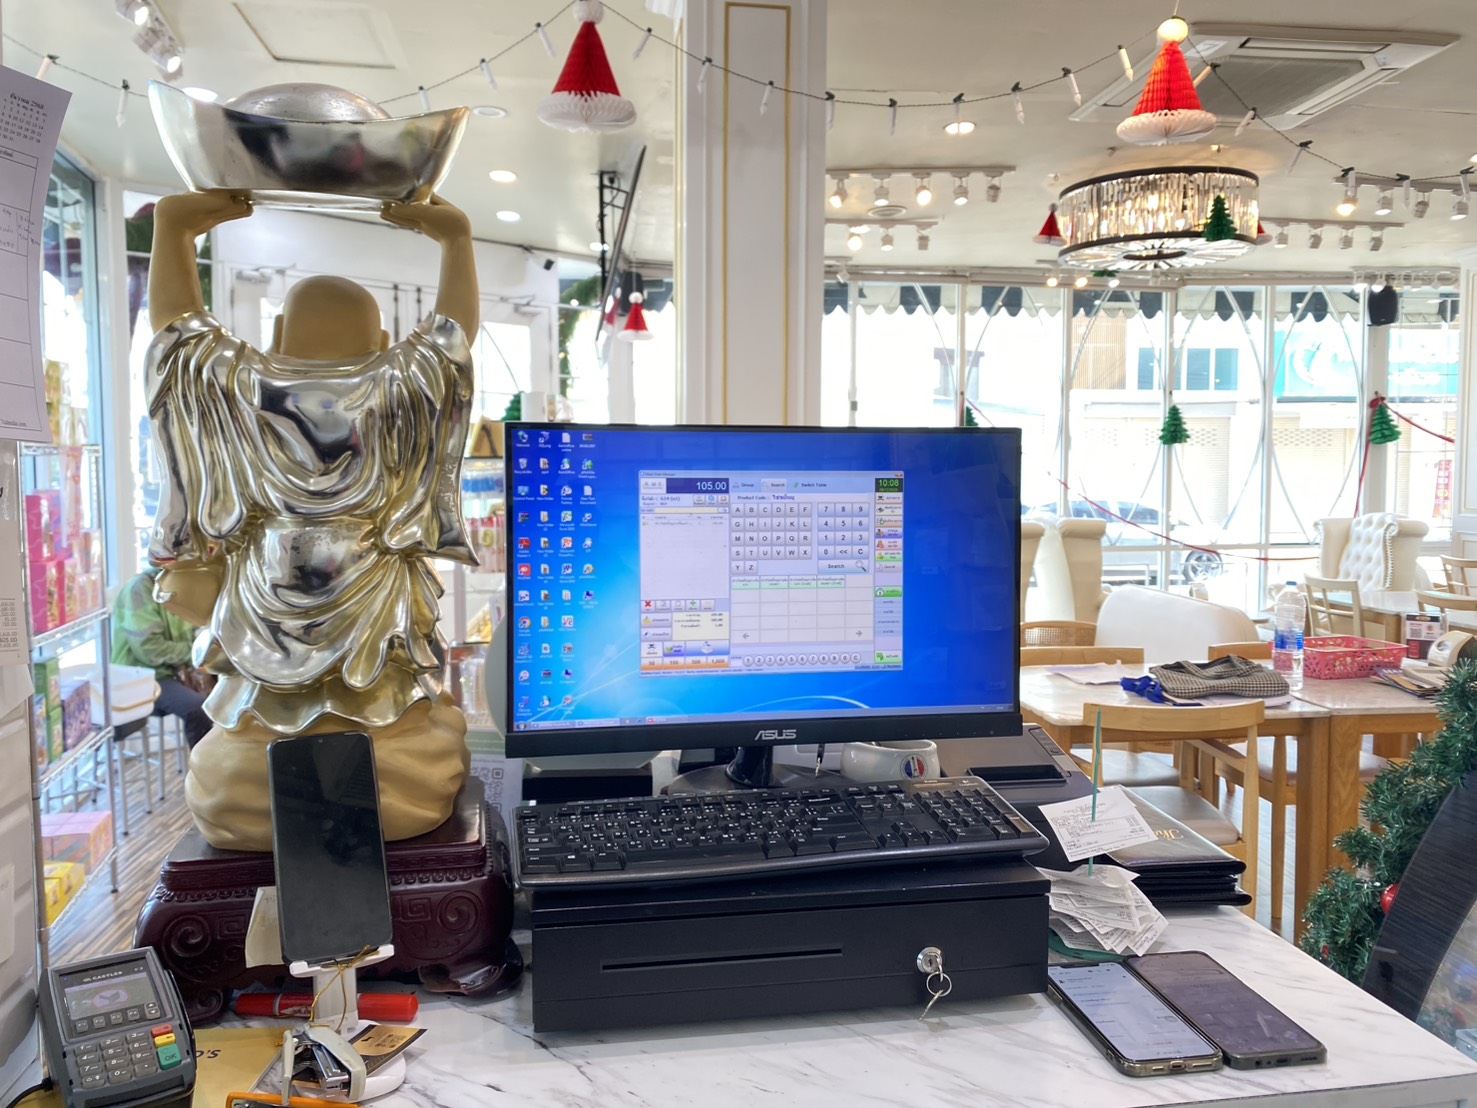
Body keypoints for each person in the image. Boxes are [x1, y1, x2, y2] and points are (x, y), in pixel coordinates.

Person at [142, 188, 479, 850]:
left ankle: (264, 779)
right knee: (385, 711)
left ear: (275, 337)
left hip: (269, 574)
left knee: (259, 718)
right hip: (369, 573)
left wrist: (174, 233)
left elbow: (178, 334)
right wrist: (455, 240)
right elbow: (452, 340)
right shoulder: (395, 388)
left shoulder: (244, 387)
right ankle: (374, 768)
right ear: (381, 342)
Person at [111, 567, 213, 748]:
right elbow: (150, 650)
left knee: (231, 687)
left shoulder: (181, 586)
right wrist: (193, 653)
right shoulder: (139, 589)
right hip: (142, 677)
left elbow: (194, 633)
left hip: (175, 670)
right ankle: (201, 765)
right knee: (197, 708)